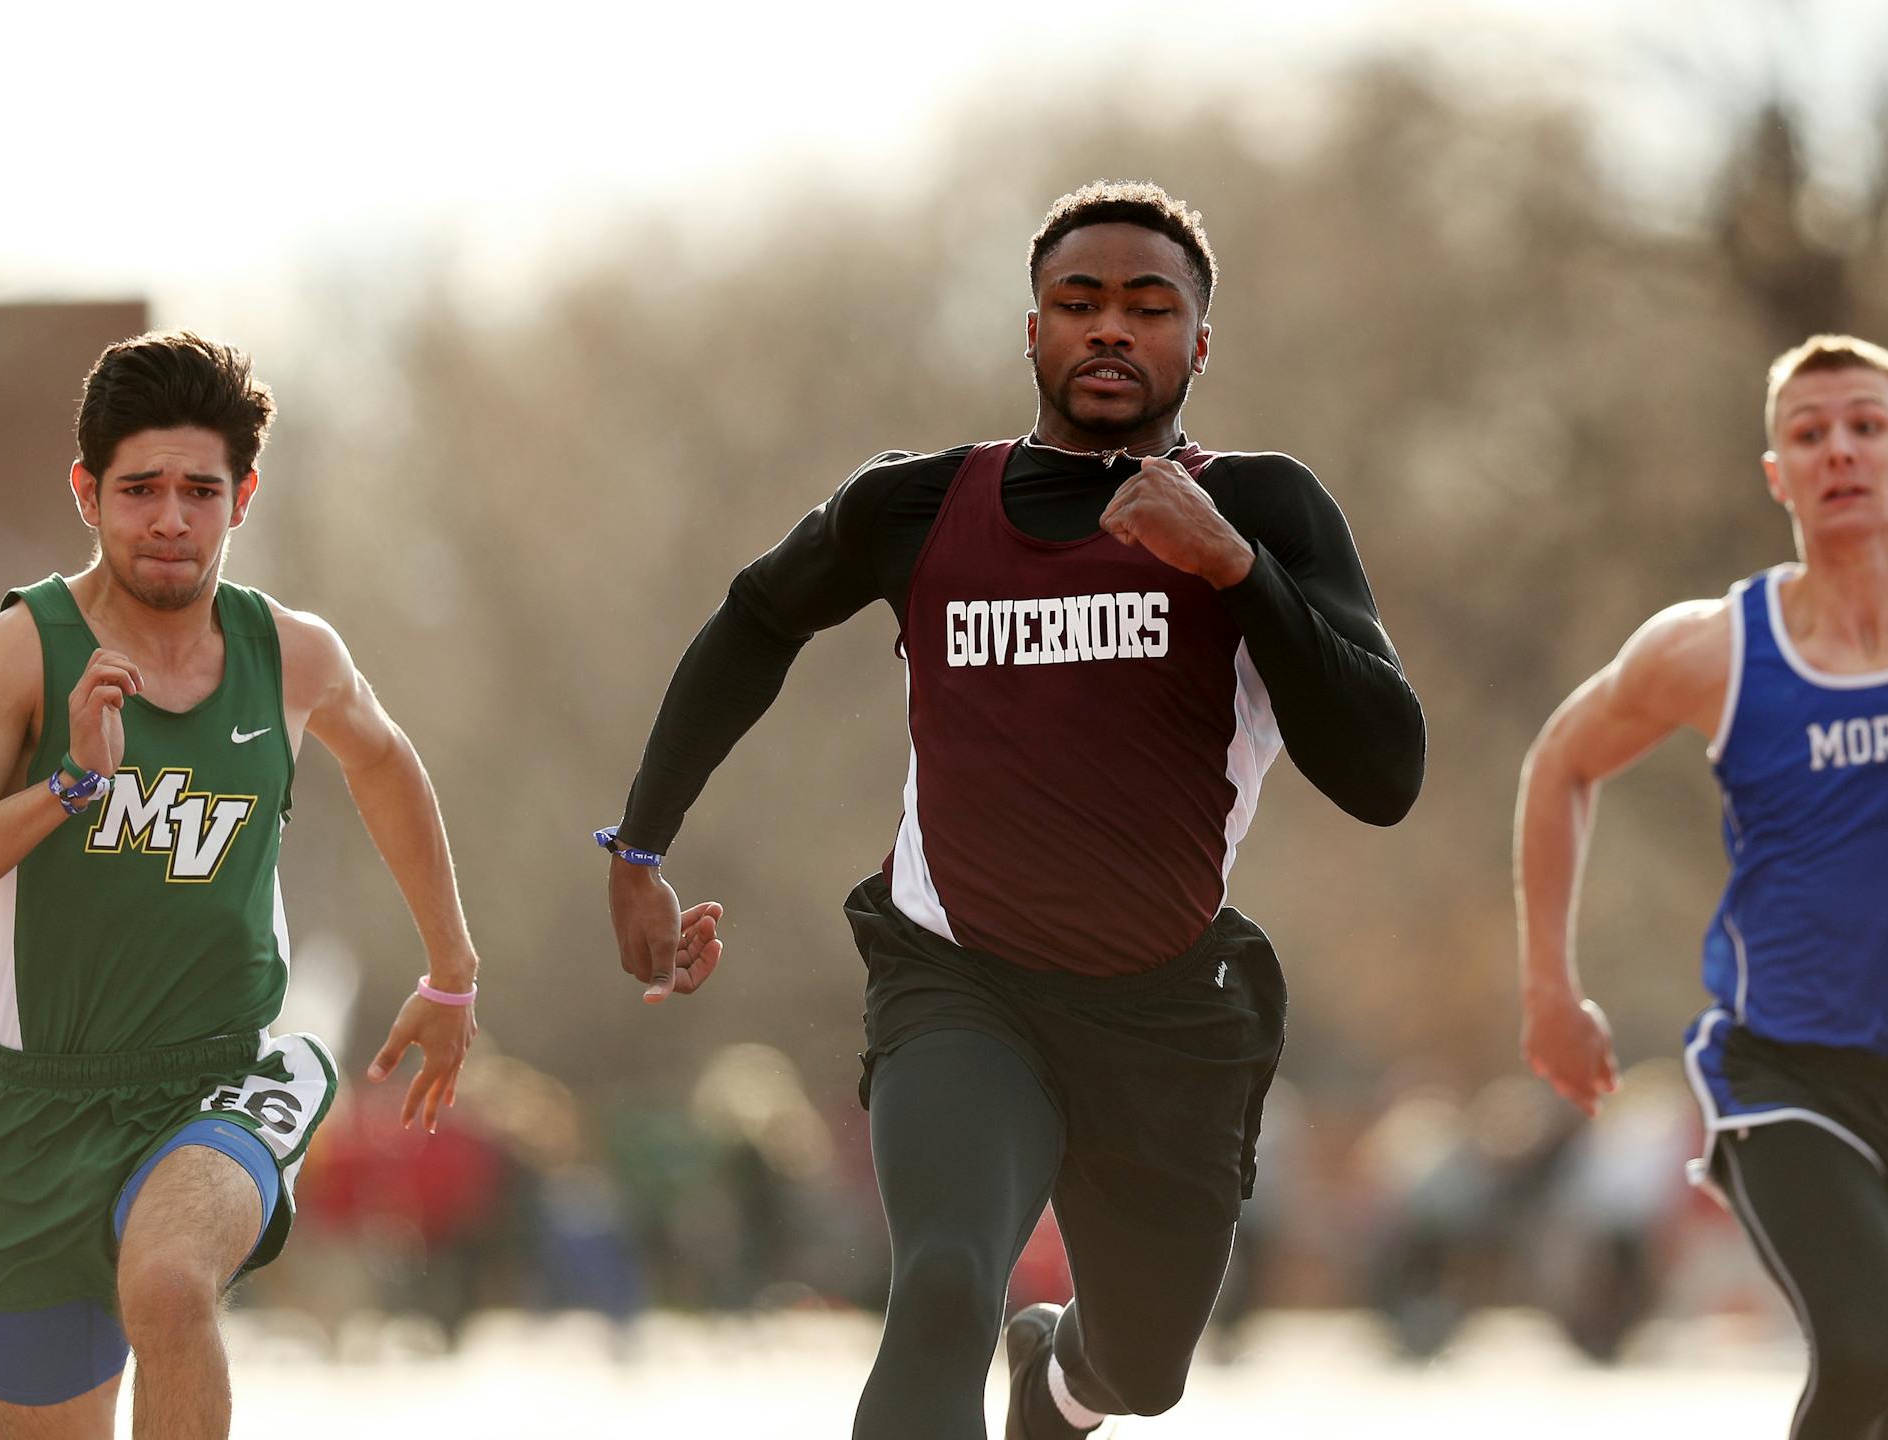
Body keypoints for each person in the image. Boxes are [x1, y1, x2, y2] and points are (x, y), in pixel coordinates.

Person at [603, 180, 1424, 1438]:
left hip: (1166, 1008)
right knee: (940, 1286)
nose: (1111, 330)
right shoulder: (921, 506)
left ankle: (1058, 1387)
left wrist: (1235, 572)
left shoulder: (1264, 508)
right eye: (1076, 302)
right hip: (959, 980)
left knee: (1141, 1372)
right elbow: (756, 617)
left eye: (1151, 309)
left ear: (1199, 343)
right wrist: (641, 845)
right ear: (1029, 330)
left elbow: (1385, 776)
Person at [1515, 334, 1888, 1437]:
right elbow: (1560, 763)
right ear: (1776, 473)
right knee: (1867, 1346)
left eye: (1866, 425)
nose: (1839, 448)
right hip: (1787, 1070)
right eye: (1809, 433)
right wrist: (1550, 991)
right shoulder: (1712, 647)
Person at [0, 331, 482, 1439]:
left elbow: (383, 760)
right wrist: (68, 785)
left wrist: (451, 970)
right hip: (35, 1101)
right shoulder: (16, 654)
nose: (170, 519)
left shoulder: (292, 654)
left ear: (242, 497)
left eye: (200, 490)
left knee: (168, 1284)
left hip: (225, 1077)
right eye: (140, 489)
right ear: (86, 492)